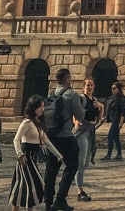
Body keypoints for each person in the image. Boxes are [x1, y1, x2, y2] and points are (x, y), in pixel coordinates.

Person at [9, 95, 63, 211]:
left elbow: (46, 141)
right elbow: (16, 139)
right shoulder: (27, 122)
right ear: (33, 108)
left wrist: (58, 155)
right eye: (40, 107)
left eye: (43, 107)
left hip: (33, 158)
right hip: (25, 158)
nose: (42, 109)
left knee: (24, 186)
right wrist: (20, 155)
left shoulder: (38, 123)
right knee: (35, 184)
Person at [43, 68, 84, 211]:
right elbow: (80, 115)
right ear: (67, 78)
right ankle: (60, 199)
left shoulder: (51, 94)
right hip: (66, 137)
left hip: (51, 137)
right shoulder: (72, 94)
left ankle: (48, 203)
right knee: (72, 166)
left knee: (51, 170)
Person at [73, 77, 104, 203]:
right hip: (81, 131)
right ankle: (80, 191)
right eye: (87, 85)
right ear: (83, 87)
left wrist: (102, 107)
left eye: (91, 85)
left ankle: (73, 177)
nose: (89, 87)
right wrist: (76, 122)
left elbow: (100, 119)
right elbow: (74, 113)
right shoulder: (81, 99)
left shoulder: (95, 100)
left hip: (91, 131)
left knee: (86, 163)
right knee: (81, 163)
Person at [101, 81, 125, 160]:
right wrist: (105, 117)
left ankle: (109, 155)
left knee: (110, 136)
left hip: (117, 120)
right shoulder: (112, 97)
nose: (112, 90)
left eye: (114, 88)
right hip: (112, 119)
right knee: (115, 137)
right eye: (112, 88)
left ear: (118, 89)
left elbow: (123, 111)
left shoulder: (121, 98)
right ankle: (119, 155)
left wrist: (121, 122)